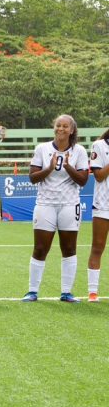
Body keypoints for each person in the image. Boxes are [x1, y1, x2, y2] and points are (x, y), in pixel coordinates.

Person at [22, 114, 88, 303]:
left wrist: (67, 166)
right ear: (54, 128)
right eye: (58, 125)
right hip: (45, 204)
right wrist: (50, 168)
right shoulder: (42, 149)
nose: (61, 129)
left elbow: (83, 180)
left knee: (68, 248)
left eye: (65, 126)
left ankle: (66, 292)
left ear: (72, 130)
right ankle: (32, 291)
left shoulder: (79, 151)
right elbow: (33, 177)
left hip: (69, 205)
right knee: (41, 248)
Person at [87, 128, 109, 301]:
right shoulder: (99, 145)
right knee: (98, 246)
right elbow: (99, 176)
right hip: (104, 204)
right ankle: (92, 292)